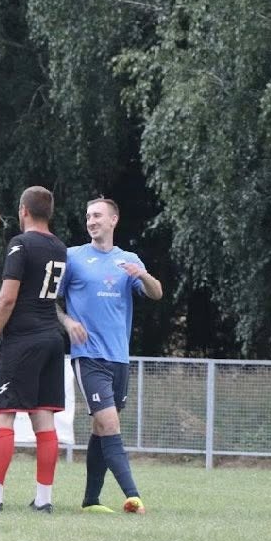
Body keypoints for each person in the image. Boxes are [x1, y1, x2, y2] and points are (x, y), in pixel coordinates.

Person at [56, 197, 163, 514]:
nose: (91, 221)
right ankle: (134, 497)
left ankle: (90, 501)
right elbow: (49, 300)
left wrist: (142, 275)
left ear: (113, 220)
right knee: (110, 425)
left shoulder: (128, 260)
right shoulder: (73, 257)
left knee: (101, 429)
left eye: (97, 215)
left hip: (119, 359)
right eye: (88, 216)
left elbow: (156, 293)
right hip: (88, 356)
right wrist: (68, 322)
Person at [0, 186, 69, 513]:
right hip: (51, 338)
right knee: (44, 420)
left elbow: (7, 298)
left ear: (23, 211)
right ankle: (43, 500)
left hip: (23, 340)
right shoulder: (60, 247)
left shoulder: (21, 244)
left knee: (2, 416)